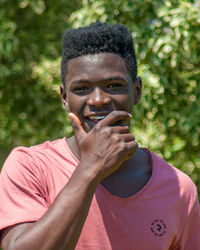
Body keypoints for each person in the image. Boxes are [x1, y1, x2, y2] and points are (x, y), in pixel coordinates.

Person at [0, 21, 199, 250]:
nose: (98, 100)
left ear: (136, 92)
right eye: (82, 89)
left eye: (113, 85)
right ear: (65, 98)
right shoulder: (30, 166)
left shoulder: (178, 188)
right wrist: (90, 168)